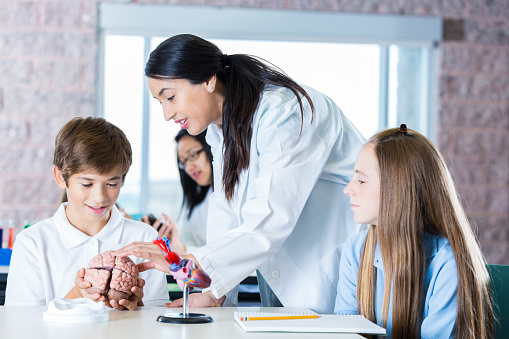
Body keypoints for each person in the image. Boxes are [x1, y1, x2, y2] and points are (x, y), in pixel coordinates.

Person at [115, 33, 366, 313]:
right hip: (284, 275)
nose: (166, 114)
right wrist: (212, 290)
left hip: (335, 267)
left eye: (170, 97)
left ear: (209, 80)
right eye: (159, 102)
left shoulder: (284, 112)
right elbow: (226, 211)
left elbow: (272, 216)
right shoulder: (220, 130)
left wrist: (190, 262)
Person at [334, 125, 494, 338]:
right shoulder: (355, 250)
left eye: (361, 180)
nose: (348, 189)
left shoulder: (448, 264)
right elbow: (345, 329)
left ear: (397, 189)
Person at [5, 117, 169, 310]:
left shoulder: (144, 237)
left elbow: (156, 319)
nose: (99, 196)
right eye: (87, 184)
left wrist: (138, 305)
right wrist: (76, 294)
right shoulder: (32, 243)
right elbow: (20, 323)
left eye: (112, 184)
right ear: (60, 177)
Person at [141, 128, 213, 254]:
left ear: (212, 147)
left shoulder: (232, 196)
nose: (189, 167)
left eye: (193, 155)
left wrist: (184, 251)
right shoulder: (197, 200)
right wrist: (170, 241)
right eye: (183, 162)